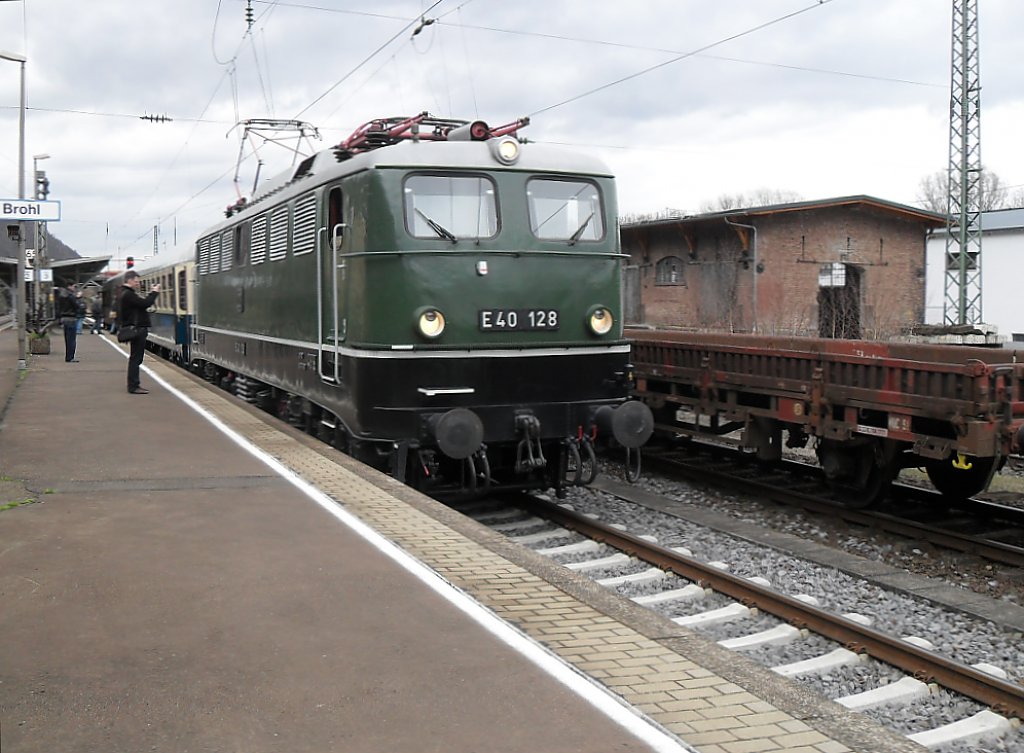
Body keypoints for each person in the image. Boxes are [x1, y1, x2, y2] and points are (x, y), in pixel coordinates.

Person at [118, 271, 160, 394]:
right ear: (129, 280)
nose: (137, 284)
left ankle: (134, 385)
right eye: (136, 281)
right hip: (137, 330)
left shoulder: (125, 294)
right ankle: (133, 386)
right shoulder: (129, 295)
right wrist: (154, 292)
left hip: (136, 329)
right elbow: (145, 304)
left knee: (135, 358)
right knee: (136, 359)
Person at [55, 281, 81, 362]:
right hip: (71, 319)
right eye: (74, 286)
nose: (74, 288)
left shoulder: (61, 296)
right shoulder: (71, 296)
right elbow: (77, 306)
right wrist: (78, 298)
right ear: (70, 286)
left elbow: (58, 307)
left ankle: (68, 357)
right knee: (72, 339)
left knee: (67, 339)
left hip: (64, 318)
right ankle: (70, 357)